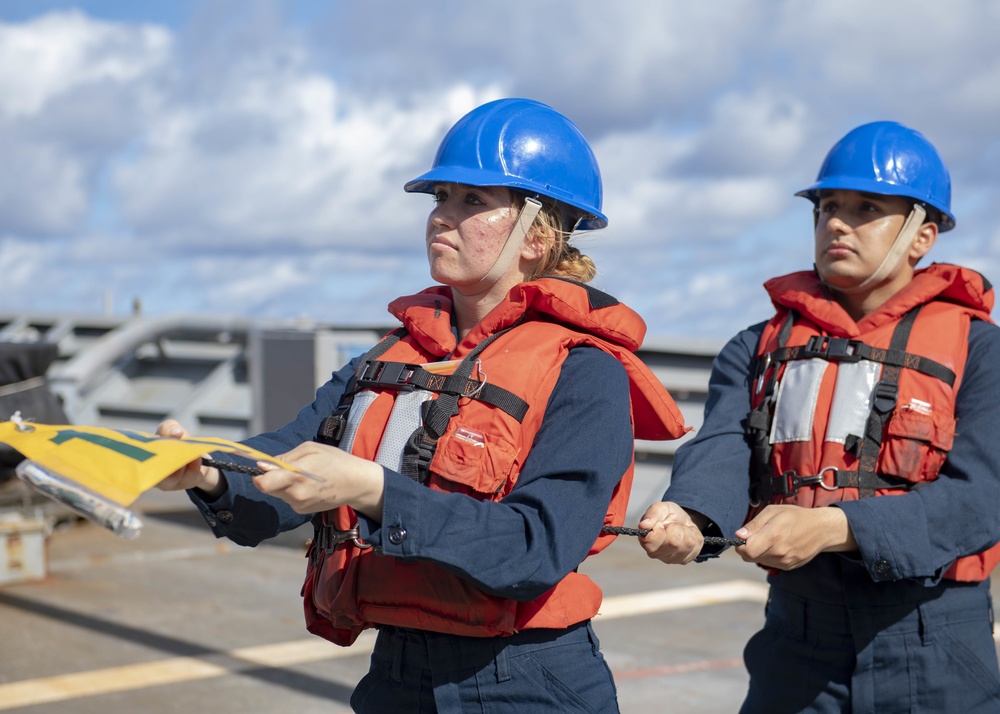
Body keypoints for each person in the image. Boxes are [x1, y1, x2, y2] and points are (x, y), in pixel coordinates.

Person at [155, 97, 688, 713]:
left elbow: (535, 547)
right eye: (440, 198)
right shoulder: (389, 358)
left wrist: (374, 490)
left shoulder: (584, 372)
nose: (441, 218)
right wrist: (213, 472)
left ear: (537, 237)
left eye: (473, 202)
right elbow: (292, 451)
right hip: (397, 676)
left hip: (527, 681)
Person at [638, 120, 1000, 713]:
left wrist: (837, 527)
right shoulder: (755, 346)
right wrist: (692, 514)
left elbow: (985, 495)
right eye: (827, 205)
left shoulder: (981, 351)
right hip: (797, 638)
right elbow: (725, 446)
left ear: (922, 236)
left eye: (865, 208)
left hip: (935, 639)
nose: (836, 221)